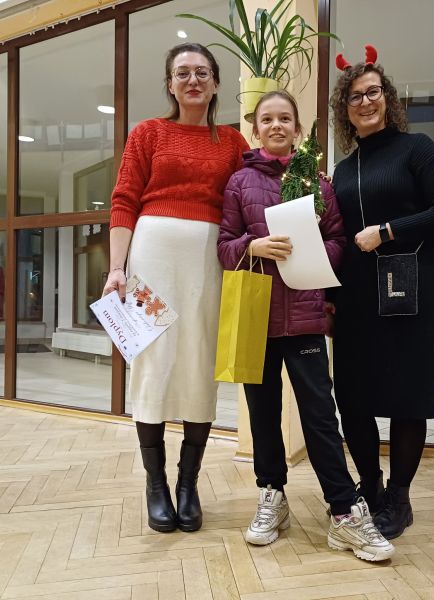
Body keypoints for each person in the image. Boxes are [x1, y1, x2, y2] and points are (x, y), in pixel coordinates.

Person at [217, 90, 394, 562]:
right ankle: (272, 496)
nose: (276, 126)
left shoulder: (318, 183)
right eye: (267, 119)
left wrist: (314, 253)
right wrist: (252, 246)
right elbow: (224, 246)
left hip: (306, 315)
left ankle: (343, 512)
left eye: (285, 119)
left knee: (319, 415)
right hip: (256, 317)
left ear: (297, 129)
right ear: (256, 129)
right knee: (262, 414)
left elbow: (338, 240)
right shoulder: (238, 183)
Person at [104, 43, 249, 533]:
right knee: (153, 362)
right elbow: (124, 200)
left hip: (209, 263)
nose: (193, 80)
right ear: (169, 83)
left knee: (199, 362)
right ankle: (156, 485)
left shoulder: (233, 141)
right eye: (182, 73)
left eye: (202, 73)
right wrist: (117, 268)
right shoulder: (148, 132)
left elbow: (248, 198)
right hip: (151, 259)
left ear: (215, 83)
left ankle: (188, 486)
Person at [329, 47, 434, 539]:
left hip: (411, 288)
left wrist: (386, 231)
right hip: (356, 294)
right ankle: (371, 488)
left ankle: (400, 499)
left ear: (387, 97)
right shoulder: (344, 170)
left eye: (373, 92)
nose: (365, 102)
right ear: (344, 109)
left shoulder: (417, 148)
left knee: (407, 395)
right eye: (355, 97)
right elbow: (337, 235)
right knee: (353, 397)